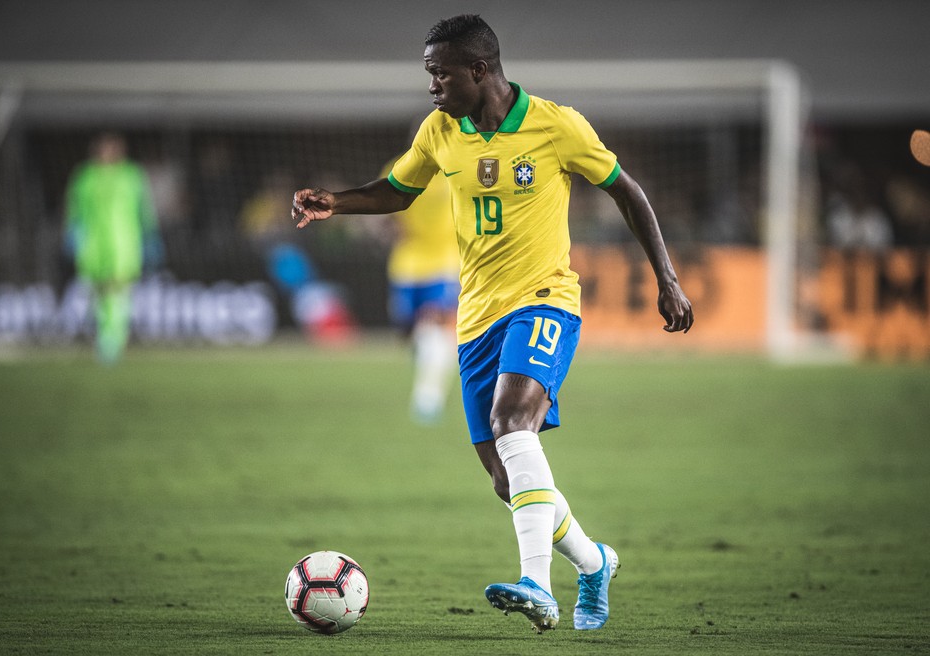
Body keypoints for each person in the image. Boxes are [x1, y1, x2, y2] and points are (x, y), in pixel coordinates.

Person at [292, 14, 693, 633]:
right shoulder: (439, 130)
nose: (431, 86)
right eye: (429, 74)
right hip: (476, 316)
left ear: (479, 70)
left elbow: (627, 190)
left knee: (513, 421)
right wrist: (336, 203)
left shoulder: (556, 126)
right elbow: (399, 191)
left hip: (544, 299)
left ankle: (537, 584)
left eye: (440, 73)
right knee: (510, 481)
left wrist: (667, 279)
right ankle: (595, 562)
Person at [65, 132, 162, 363]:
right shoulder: (85, 177)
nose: (108, 153)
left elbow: (144, 208)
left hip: (124, 242)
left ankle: (112, 339)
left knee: (118, 289)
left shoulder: (132, 176)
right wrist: (73, 232)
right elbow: (74, 208)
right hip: (94, 244)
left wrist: (150, 234)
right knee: (98, 291)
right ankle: (105, 332)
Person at [380, 154, 460, 424]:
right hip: (408, 263)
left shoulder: (458, 165)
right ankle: (432, 358)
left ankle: (428, 398)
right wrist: (391, 227)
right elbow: (385, 213)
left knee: (433, 322)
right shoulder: (399, 168)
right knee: (410, 332)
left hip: (446, 262)